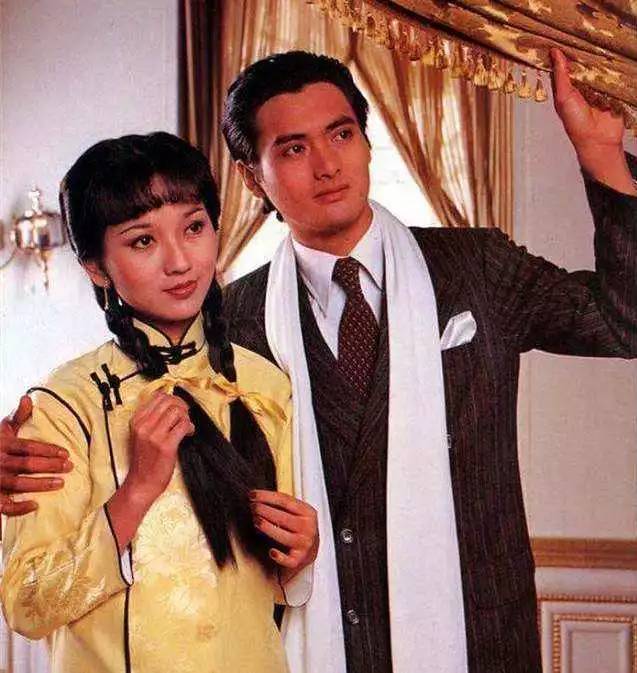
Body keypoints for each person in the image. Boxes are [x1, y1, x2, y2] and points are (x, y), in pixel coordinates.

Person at [2, 48, 636, 673]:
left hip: (480, 644)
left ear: (367, 142)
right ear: (253, 178)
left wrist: (601, 153)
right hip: (314, 648)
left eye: (341, 134)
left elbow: (622, 322)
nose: (328, 165)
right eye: (293, 149)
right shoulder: (233, 325)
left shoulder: (477, 267)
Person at [0, 132, 318, 673]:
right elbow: (28, 604)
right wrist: (137, 492)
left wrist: (302, 551)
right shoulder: (62, 406)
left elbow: (278, 584)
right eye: (143, 241)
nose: (179, 261)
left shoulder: (265, 385)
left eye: (193, 228)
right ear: (96, 267)